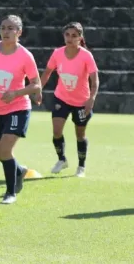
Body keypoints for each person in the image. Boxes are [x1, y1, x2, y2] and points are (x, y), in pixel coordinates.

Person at [0, 15, 42, 205]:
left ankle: (10, 192)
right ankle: (19, 171)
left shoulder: (25, 55)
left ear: (19, 32)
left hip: (18, 108)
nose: (6, 31)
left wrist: (17, 93)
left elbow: (36, 84)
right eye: (3, 27)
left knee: (5, 150)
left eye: (11, 28)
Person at [40, 22, 99, 178]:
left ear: (80, 38)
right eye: (67, 35)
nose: (70, 38)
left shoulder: (86, 55)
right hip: (62, 98)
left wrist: (91, 98)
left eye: (74, 36)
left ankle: (81, 166)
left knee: (80, 134)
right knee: (57, 131)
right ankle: (62, 160)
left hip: (81, 102)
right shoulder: (57, 53)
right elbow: (47, 73)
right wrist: (38, 89)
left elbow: (95, 79)